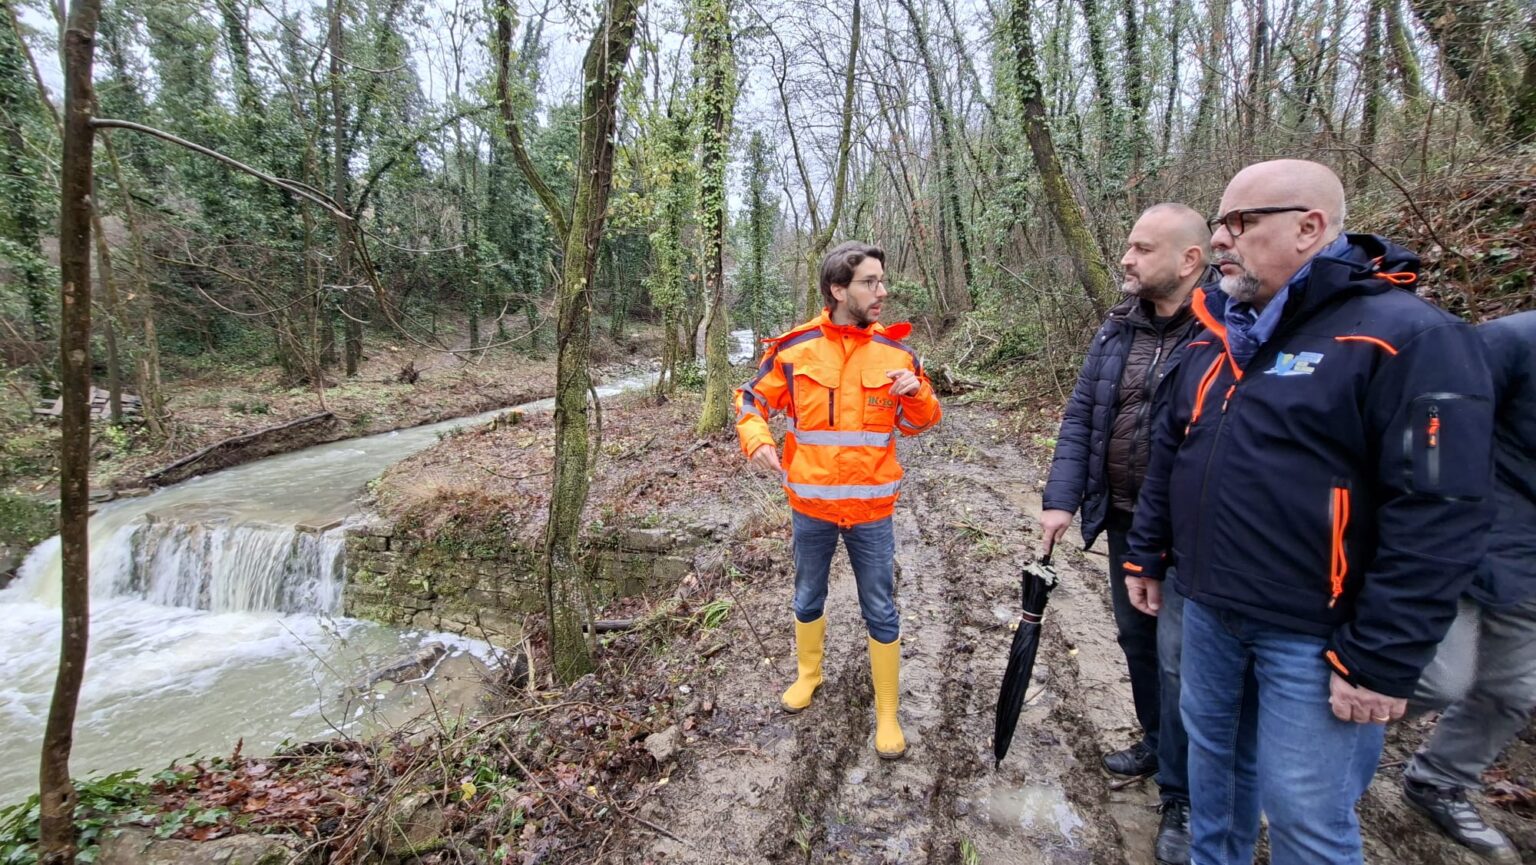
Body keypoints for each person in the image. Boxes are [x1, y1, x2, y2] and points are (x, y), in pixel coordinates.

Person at [1121, 159, 1494, 865]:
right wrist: (1148, 553)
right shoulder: (1216, 334)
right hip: (1209, 609)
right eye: (1221, 223)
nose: (1221, 239)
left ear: (1309, 227)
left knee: (1306, 816)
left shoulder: (1408, 338)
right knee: (1213, 781)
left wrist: (1381, 656)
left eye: (1240, 222)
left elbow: (1441, 510)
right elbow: (1174, 453)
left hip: (1317, 634)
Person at [1040, 203, 1215, 864]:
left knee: (1180, 660)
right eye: (1129, 245)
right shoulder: (1118, 328)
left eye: (1143, 248)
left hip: (1190, 529)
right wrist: (1062, 498)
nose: (1126, 258)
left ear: (1189, 260)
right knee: (1137, 639)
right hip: (1123, 516)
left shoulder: (1223, 330)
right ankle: (1157, 741)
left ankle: (1184, 794)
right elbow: (1083, 413)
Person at [733, 241, 942, 760]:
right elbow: (751, 398)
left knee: (881, 608)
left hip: (872, 512)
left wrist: (916, 393)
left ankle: (887, 710)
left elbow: (921, 423)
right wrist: (756, 438)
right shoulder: (794, 349)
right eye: (870, 282)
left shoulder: (898, 355)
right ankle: (809, 675)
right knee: (808, 597)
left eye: (881, 280)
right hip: (812, 508)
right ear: (838, 290)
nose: (882, 291)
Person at [1401, 309, 1536, 865]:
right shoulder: (1513, 340)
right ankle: (1290, 733)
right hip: (1465, 541)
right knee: (1436, 680)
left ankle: (1439, 779)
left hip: (1529, 563)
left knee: (1513, 692)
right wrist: (1435, 515)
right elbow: (1436, 426)